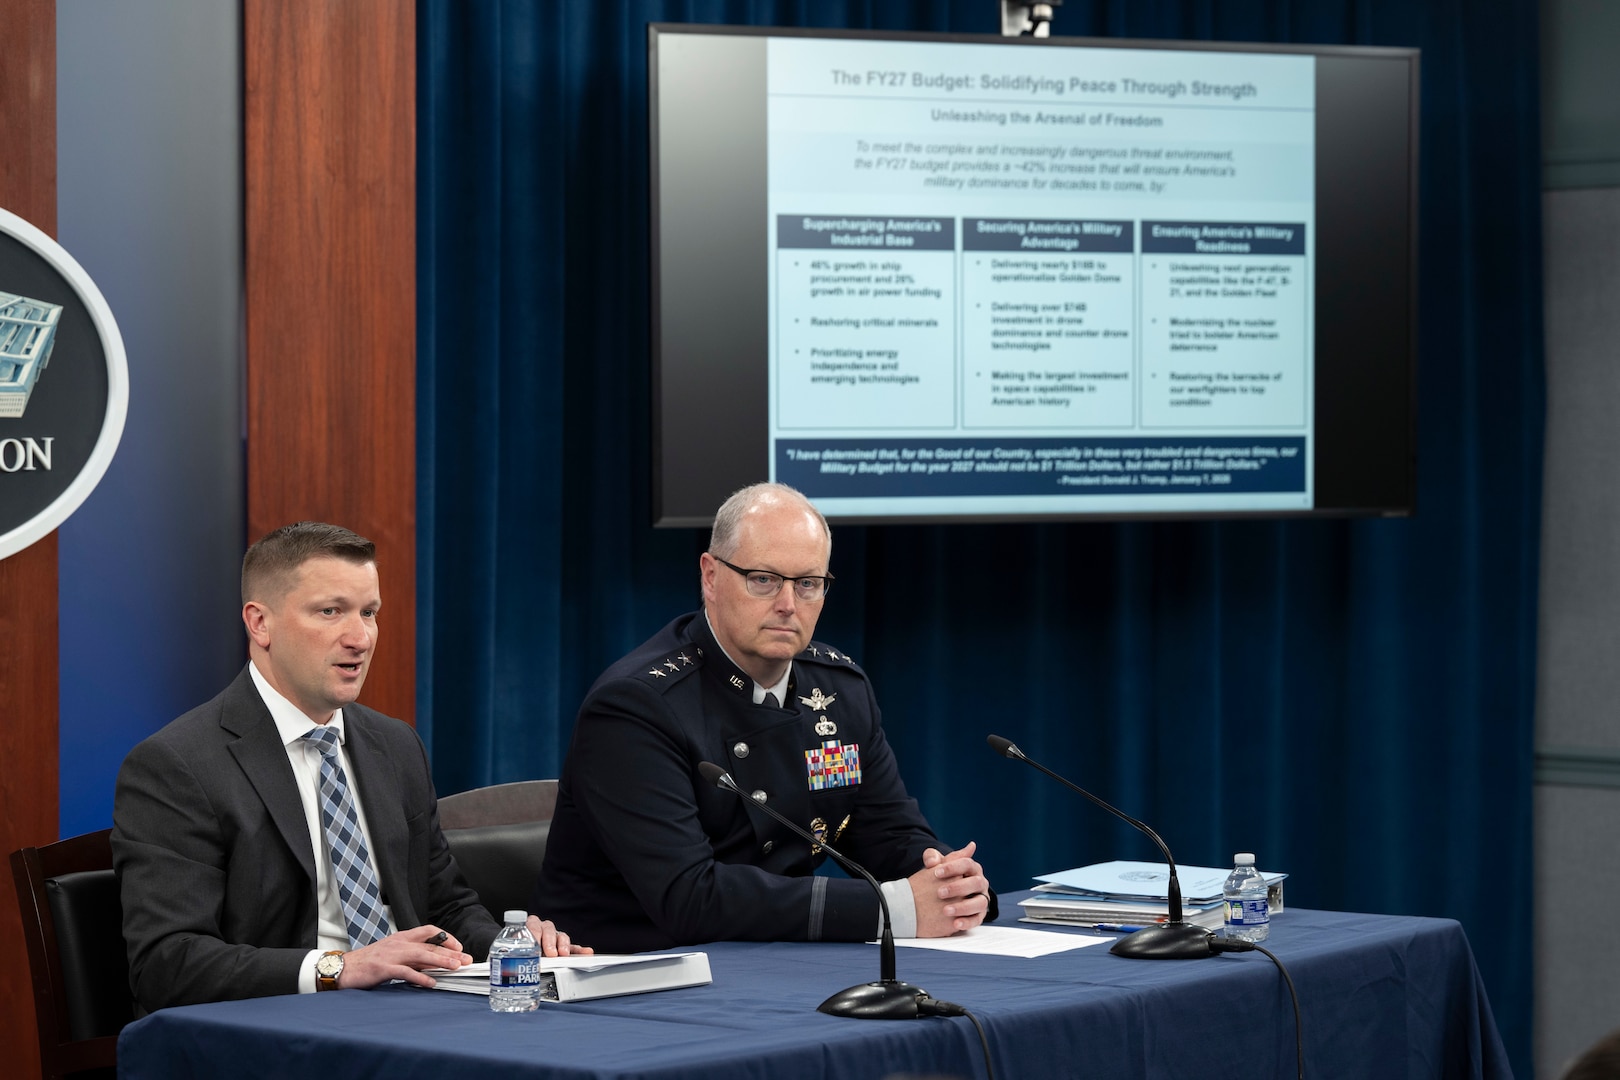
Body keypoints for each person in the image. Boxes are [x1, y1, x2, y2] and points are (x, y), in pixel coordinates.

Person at [112, 522, 586, 1014]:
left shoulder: (395, 744)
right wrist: (339, 967)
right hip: (278, 1024)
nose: (360, 638)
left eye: (369, 613)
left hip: (414, 1009)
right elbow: (167, 963)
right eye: (330, 612)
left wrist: (517, 949)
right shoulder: (178, 765)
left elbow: (445, 907)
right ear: (260, 623)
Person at [534, 482, 992, 952]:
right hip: (632, 974)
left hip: (770, 957)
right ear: (710, 577)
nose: (788, 604)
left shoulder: (839, 689)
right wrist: (894, 908)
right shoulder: (636, 706)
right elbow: (690, 898)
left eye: (808, 584)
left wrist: (946, 881)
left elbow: (887, 831)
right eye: (763, 579)